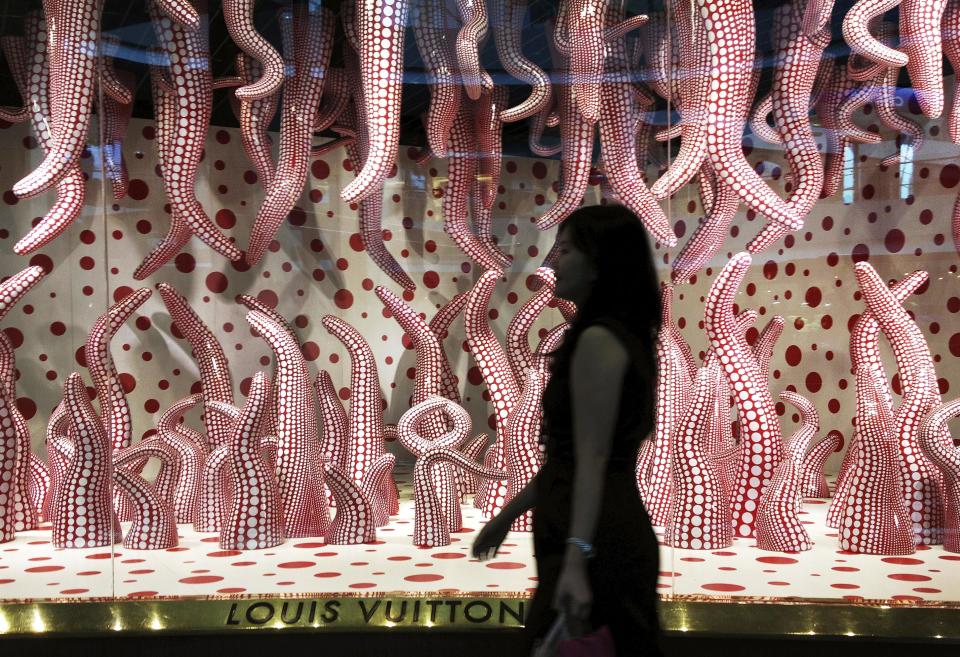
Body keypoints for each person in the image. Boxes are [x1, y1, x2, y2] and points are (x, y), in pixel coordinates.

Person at [472, 204, 663, 656]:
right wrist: (507, 516)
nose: (554, 260)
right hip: (589, 531)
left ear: (600, 263)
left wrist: (578, 559)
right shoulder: (610, 335)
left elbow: (592, 462)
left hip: (597, 543)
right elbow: (568, 461)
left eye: (568, 249)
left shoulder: (599, 340)